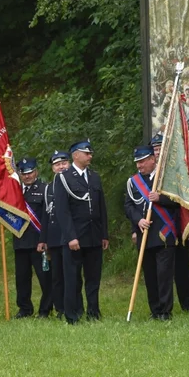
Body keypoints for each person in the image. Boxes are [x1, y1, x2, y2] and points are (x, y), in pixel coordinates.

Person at [53, 139, 109, 324]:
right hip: (75, 237)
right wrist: (71, 237)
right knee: (73, 278)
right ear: (76, 155)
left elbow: (101, 208)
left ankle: (94, 311)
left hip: (93, 235)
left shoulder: (94, 177)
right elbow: (62, 210)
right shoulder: (63, 178)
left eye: (90, 153)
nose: (90, 156)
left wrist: (104, 234)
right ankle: (73, 314)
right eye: (87, 153)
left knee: (93, 277)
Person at [125, 145, 180, 320]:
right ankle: (155, 310)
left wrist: (160, 199)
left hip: (163, 234)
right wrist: (137, 221)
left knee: (164, 275)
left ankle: (165, 311)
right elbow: (129, 206)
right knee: (150, 275)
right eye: (137, 163)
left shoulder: (165, 179)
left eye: (142, 162)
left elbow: (178, 201)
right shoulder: (133, 182)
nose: (139, 166)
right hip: (144, 233)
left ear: (152, 159)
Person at [152, 132, 189, 312]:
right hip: (158, 230)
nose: (158, 152)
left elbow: (183, 200)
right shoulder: (150, 174)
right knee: (161, 271)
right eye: (155, 149)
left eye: (161, 147)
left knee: (182, 269)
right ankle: (162, 305)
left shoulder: (177, 173)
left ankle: (188, 305)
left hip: (178, 225)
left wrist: (160, 199)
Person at [14, 157, 51, 318]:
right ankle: (24, 308)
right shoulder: (14, 192)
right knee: (22, 278)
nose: (27, 176)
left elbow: (47, 218)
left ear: (36, 171)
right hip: (20, 240)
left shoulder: (44, 189)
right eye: (24, 173)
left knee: (45, 278)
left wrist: (45, 240)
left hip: (38, 241)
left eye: (30, 173)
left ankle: (45, 309)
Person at [40, 150, 71, 317]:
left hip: (70, 236)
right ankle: (60, 309)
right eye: (57, 164)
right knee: (57, 276)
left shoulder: (74, 183)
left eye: (64, 163)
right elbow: (46, 215)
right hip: (54, 238)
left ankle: (71, 306)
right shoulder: (48, 189)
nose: (61, 167)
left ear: (69, 164)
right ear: (53, 168)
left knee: (70, 275)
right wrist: (43, 239)